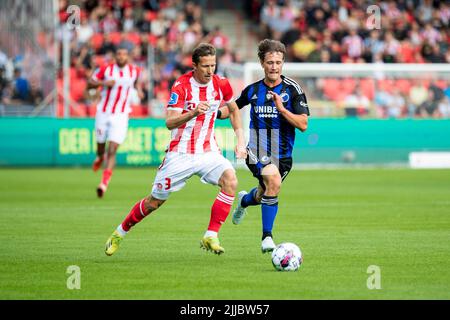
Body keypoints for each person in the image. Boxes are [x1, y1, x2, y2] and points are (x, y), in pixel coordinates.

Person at [104, 43, 247, 256]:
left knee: (230, 180)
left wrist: (240, 139)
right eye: (206, 66)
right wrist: (193, 113)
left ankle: (211, 235)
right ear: (194, 65)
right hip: (180, 154)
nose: (210, 71)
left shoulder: (221, 84)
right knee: (154, 202)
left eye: (213, 65)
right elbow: (170, 122)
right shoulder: (181, 86)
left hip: (208, 151)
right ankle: (120, 232)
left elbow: (234, 110)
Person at [217, 39, 309, 253]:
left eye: (278, 62)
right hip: (256, 149)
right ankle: (267, 237)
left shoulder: (293, 90)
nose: (274, 67)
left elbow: (303, 125)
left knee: (265, 192)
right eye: (270, 62)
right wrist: (211, 111)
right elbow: (231, 109)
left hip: (283, 155)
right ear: (261, 63)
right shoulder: (252, 90)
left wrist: (282, 109)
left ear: (283, 63)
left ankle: (244, 201)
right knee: (273, 181)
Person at [88, 46, 144, 198]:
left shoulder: (134, 71)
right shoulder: (105, 69)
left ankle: (103, 184)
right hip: (103, 113)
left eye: (124, 54)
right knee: (101, 148)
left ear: (127, 56)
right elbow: (89, 83)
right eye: (119, 54)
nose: (121, 56)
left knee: (112, 149)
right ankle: (99, 157)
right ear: (115, 56)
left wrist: (139, 90)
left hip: (121, 115)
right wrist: (104, 83)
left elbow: (136, 83)